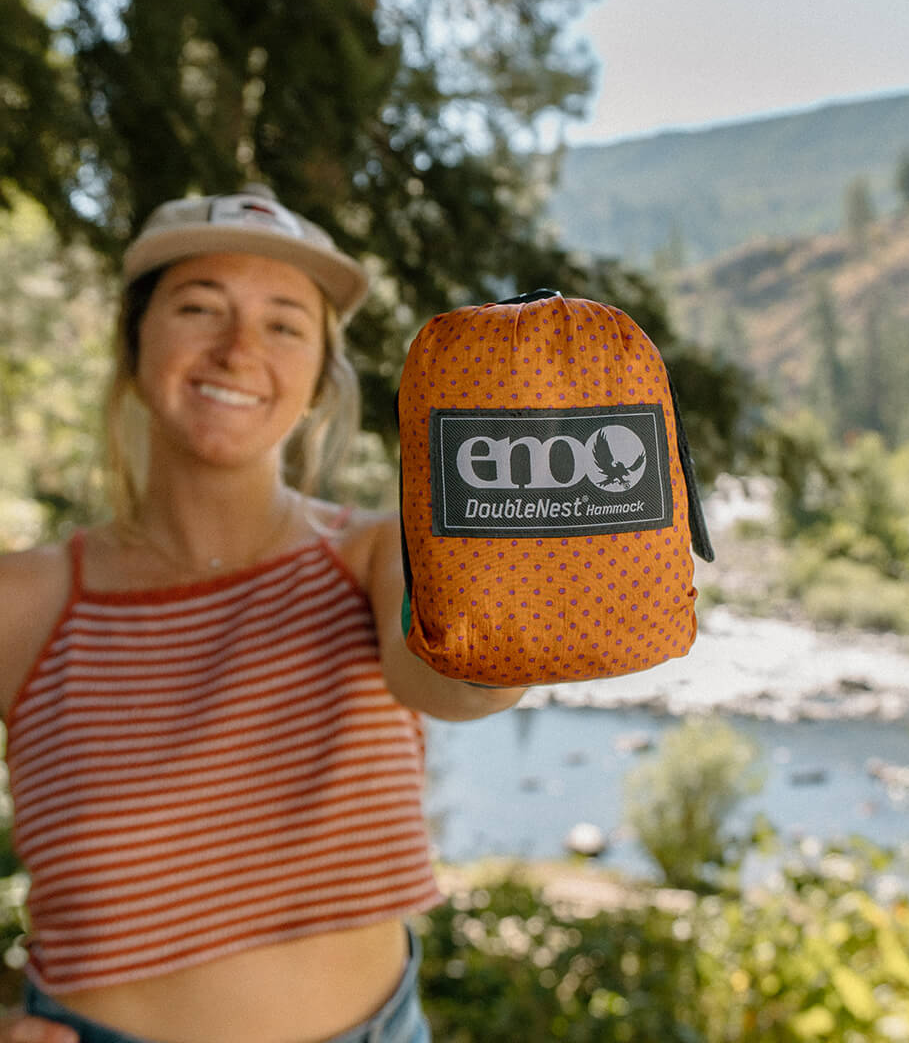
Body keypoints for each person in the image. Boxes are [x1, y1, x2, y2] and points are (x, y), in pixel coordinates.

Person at [0, 186, 525, 1043]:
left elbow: (448, 674)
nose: (240, 348)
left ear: (319, 377)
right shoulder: (30, 601)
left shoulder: (375, 555)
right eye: (199, 307)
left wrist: (511, 639)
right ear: (134, 346)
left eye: (285, 323)